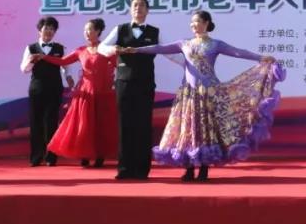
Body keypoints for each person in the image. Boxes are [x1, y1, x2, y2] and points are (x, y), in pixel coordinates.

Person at [119, 11, 283, 182]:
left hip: (208, 94)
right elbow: (159, 48)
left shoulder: (215, 44)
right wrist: (136, 50)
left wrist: (260, 57)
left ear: (206, 23)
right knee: (188, 130)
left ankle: (204, 169)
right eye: (192, 22)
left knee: (205, 131)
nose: (193, 25)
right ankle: (189, 169)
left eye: (197, 21)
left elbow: (238, 52)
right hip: (188, 94)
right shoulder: (184, 43)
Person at [33, 18, 118, 168]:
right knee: (84, 125)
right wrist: (44, 57)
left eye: (89, 29)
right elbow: (63, 61)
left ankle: (100, 156)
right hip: (85, 93)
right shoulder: (81, 50)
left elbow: (119, 64)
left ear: (98, 31)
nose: (86, 33)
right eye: (85, 30)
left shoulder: (106, 50)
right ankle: (84, 155)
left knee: (101, 126)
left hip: (103, 93)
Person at [100, 0, 158, 180]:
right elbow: (101, 47)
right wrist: (114, 50)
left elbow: (171, 52)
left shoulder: (155, 32)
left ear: (147, 10)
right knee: (125, 125)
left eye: (142, 5)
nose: (138, 8)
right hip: (124, 83)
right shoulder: (120, 29)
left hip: (145, 84)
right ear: (130, 9)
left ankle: (142, 169)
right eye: (135, 5)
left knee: (143, 125)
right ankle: (125, 168)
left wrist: (192, 64)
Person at [20, 16, 75, 167]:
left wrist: (69, 78)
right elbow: (24, 69)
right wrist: (31, 61)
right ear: (39, 31)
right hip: (36, 89)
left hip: (54, 89)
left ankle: (51, 157)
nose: (49, 31)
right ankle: (36, 157)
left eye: (52, 29)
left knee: (51, 122)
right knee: (36, 122)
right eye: (46, 28)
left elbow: (66, 67)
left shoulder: (60, 48)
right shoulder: (31, 48)